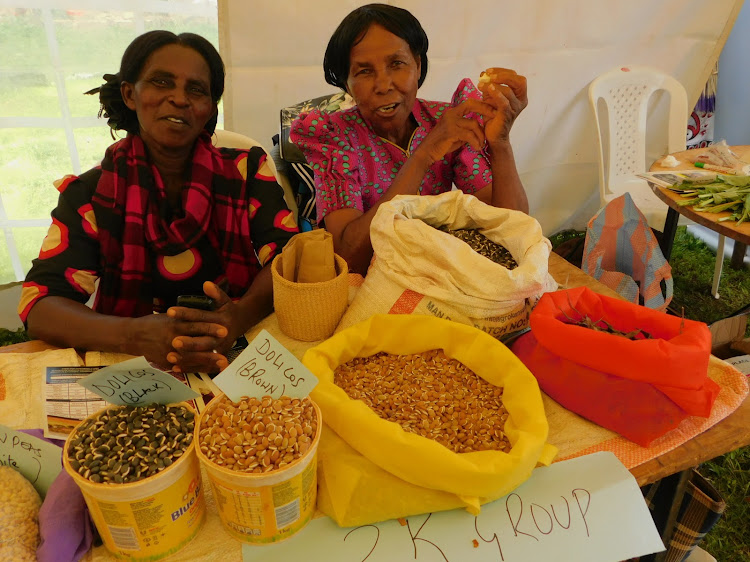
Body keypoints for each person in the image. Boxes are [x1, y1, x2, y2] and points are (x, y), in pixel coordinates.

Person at [18, 30, 298, 374]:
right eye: (161, 82)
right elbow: (41, 305)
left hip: (237, 350)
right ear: (129, 94)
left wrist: (238, 317)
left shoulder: (246, 171)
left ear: (210, 107)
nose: (179, 99)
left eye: (195, 89)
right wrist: (134, 334)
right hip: (134, 363)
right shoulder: (90, 193)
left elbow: (287, 258)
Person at [290, 3, 529, 275]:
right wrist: (423, 156)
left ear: (417, 64)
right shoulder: (336, 139)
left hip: (440, 274)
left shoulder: (447, 121)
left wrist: (500, 143)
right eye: (364, 71)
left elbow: (512, 230)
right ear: (347, 84)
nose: (383, 85)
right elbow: (348, 257)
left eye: (397, 64)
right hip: (373, 286)